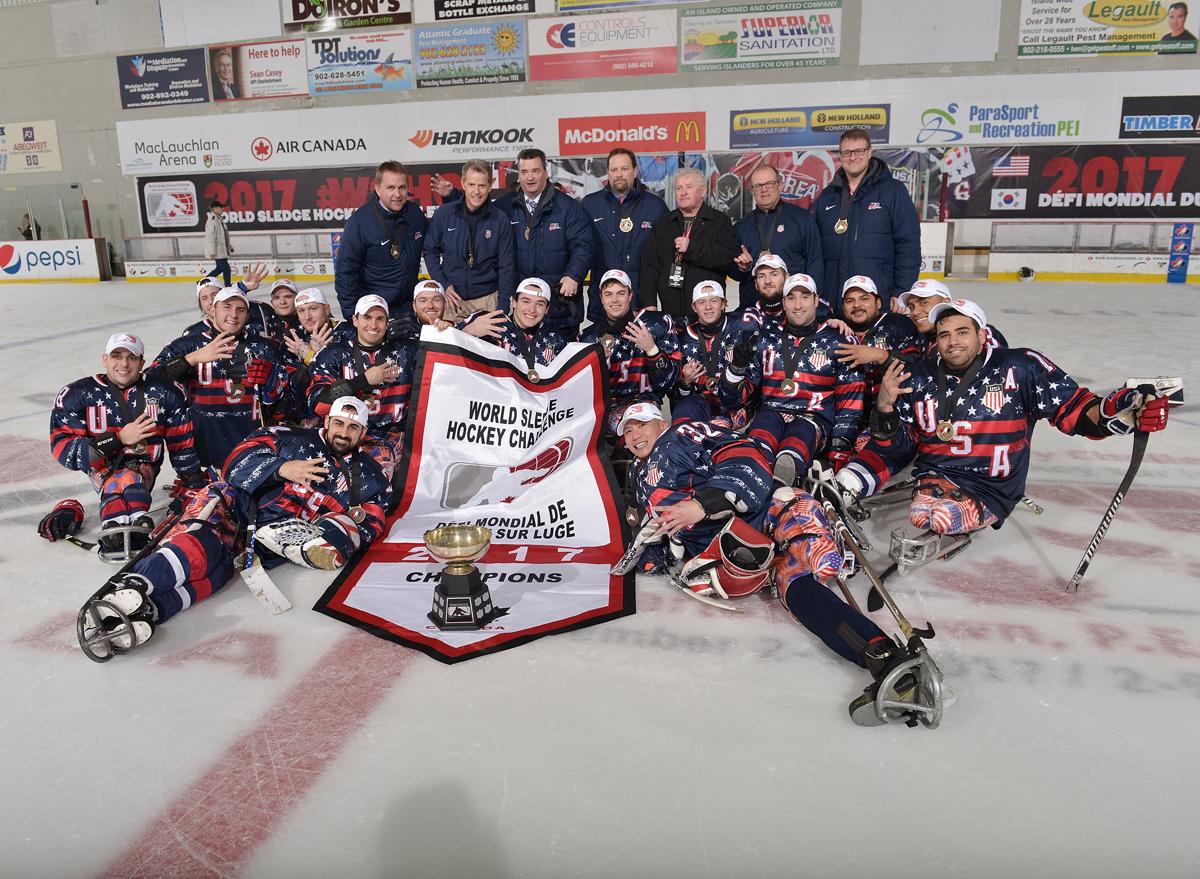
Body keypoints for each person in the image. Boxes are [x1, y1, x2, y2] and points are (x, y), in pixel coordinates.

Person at [618, 402, 937, 726]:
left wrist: (704, 503)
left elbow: (744, 453)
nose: (634, 435)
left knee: (817, 557)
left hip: (769, 510)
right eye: (627, 431)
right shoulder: (638, 475)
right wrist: (658, 555)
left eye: (640, 425)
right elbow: (663, 530)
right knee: (796, 589)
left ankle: (826, 538)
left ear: (660, 424)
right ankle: (882, 657)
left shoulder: (680, 435)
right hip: (740, 549)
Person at [834, 298, 1172, 547]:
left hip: (992, 486)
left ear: (982, 335)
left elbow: (1076, 409)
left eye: (962, 332)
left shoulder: (1020, 366)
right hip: (937, 474)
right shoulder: (919, 375)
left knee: (938, 518)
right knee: (921, 515)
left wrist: (1116, 411)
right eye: (945, 334)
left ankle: (980, 509)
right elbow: (899, 448)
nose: (953, 341)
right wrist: (886, 408)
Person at [77, 397, 393, 659]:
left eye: (353, 427)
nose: (344, 432)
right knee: (203, 545)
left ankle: (151, 610)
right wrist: (281, 468)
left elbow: (370, 524)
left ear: (363, 432)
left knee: (217, 573)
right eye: (339, 423)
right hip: (235, 507)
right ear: (327, 423)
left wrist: (328, 536)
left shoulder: (370, 478)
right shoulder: (289, 436)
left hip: (268, 545)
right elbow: (236, 461)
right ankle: (137, 584)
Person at [44, 333, 203, 560]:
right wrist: (119, 439)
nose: (124, 364)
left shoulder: (167, 391)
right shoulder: (76, 394)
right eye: (116, 356)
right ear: (105, 359)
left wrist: (193, 483)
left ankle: (121, 522)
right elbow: (64, 450)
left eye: (132, 357)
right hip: (102, 468)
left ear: (142, 363)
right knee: (123, 482)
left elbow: (182, 444)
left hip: (144, 466)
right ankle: (125, 520)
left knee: (130, 479)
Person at [720, 273, 864, 483]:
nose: (798, 305)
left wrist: (839, 450)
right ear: (783, 303)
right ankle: (752, 471)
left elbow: (850, 401)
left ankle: (784, 473)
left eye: (805, 297)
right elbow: (733, 401)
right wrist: (735, 370)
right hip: (771, 413)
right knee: (763, 427)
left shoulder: (839, 340)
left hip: (813, 420)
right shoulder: (765, 337)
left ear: (816, 301)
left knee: (800, 434)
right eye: (791, 298)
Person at [146, 287, 288, 471]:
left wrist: (270, 382)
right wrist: (192, 358)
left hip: (250, 443)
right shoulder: (188, 344)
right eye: (227, 307)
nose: (233, 315)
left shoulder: (263, 347)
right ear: (213, 310)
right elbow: (151, 380)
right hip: (201, 445)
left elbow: (279, 400)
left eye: (240, 310)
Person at [307, 294, 416, 480]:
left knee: (372, 475)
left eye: (380, 319)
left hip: (388, 437)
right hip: (343, 433)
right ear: (355, 320)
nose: (373, 325)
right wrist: (363, 380)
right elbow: (319, 405)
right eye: (367, 318)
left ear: (387, 323)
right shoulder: (333, 354)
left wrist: (448, 328)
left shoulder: (407, 352)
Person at [812, 129, 920, 315]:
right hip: (835, 300)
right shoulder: (828, 196)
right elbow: (812, 247)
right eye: (847, 152)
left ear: (869, 152)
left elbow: (908, 244)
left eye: (859, 151)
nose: (852, 157)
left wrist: (902, 290)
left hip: (877, 298)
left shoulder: (893, 191)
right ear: (840, 155)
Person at [496, 148, 593, 340]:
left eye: (535, 171)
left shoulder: (568, 207)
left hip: (560, 309)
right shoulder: (503, 207)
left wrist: (573, 274)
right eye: (524, 172)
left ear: (545, 172)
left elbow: (584, 245)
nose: (529, 178)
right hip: (520, 310)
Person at [829, 275, 924, 447]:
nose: (857, 305)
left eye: (864, 299)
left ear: (878, 303)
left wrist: (880, 356)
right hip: (843, 414)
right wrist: (827, 325)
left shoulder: (899, 325)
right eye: (850, 301)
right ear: (842, 307)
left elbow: (917, 367)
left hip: (889, 413)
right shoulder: (835, 329)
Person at [580, 269, 679, 431]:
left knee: (639, 432)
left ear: (630, 295)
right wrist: (596, 367)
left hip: (645, 403)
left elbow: (669, 382)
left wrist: (652, 349)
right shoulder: (588, 337)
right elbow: (582, 392)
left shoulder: (657, 323)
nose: (614, 300)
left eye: (621, 293)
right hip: (606, 407)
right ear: (601, 298)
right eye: (608, 294)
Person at [639, 167, 739, 322]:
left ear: (703, 191)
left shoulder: (720, 222)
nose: (683, 192)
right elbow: (649, 267)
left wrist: (692, 248)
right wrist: (649, 303)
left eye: (689, 187)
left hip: (708, 313)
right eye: (679, 188)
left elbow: (726, 257)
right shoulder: (663, 225)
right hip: (671, 314)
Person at [581, 148, 668, 323]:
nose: (618, 174)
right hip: (602, 304)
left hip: (640, 303)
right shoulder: (589, 205)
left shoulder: (656, 207)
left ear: (635, 171)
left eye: (624, 169)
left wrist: (653, 300)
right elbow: (579, 249)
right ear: (608, 173)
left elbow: (664, 258)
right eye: (614, 170)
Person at [334, 161, 429, 320]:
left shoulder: (415, 214)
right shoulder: (359, 222)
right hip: (375, 313)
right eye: (391, 188)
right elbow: (346, 271)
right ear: (378, 189)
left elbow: (440, 239)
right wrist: (352, 314)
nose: (397, 194)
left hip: (408, 310)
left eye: (402, 188)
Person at [423, 158, 515, 322]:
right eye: (472, 185)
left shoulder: (500, 219)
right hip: (451, 302)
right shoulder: (444, 214)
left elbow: (506, 265)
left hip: (488, 301)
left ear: (490, 185)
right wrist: (443, 283)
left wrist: (502, 306)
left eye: (482, 185)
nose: (476, 191)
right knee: (449, 348)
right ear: (463, 184)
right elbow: (430, 251)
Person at [731, 164, 822, 311]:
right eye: (758, 186)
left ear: (780, 185)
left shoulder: (802, 219)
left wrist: (813, 305)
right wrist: (743, 268)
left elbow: (815, 263)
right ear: (751, 190)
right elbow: (733, 272)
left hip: (793, 309)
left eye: (769, 183)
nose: (764, 189)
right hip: (753, 308)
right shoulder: (741, 226)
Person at [671, 279, 747, 429]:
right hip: (698, 403)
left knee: (717, 427)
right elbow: (678, 398)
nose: (708, 307)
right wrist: (684, 382)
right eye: (701, 302)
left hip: (733, 405)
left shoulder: (740, 330)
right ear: (694, 307)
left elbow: (753, 382)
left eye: (714, 300)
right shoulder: (681, 338)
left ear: (724, 304)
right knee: (683, 424)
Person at [463, 277, 568, 374]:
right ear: (513, 302)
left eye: (539, 304)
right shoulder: (490, 322)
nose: (532, 310)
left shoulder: (555, 337)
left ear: (547, 309)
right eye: (526, 301)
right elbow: (449, 345)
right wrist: (468, 331)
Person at [897, 278, 1007, 358]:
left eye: (924, 303)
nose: (915, 312)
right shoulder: (916, 337)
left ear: (946, 302)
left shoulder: (980, 332)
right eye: (911, 307)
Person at [186, 264, 268, 336]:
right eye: (204, 298)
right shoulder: (192, 334)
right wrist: (242, 286)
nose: (211, 301)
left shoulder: (254, 321)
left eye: (214, 295)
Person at [248, 278, 301, 345]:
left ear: (297, 299)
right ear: (272, 302)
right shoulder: (263, 317)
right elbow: (234, 303)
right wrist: (243, 287)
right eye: (277, 298)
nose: (282, 302)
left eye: (288, 297)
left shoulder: (308, 321)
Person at [204, 200, 233, 287]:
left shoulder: (219, 219)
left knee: (219, 269)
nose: (222, 209)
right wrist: (212, 252)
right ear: (214, 209)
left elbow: (223, 236)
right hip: (218, 251)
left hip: (222, 250)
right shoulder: (212, 221)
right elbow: (211, 238)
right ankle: (227, 286)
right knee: (226, 269)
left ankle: (203, 281)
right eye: (220, 207)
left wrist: (229, 246)